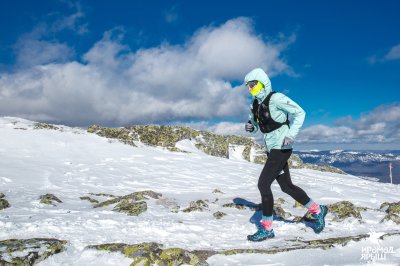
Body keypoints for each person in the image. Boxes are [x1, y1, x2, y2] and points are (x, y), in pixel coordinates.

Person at [244, 68, 328, 242]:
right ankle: (318, 210)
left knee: (263, 184)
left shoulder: (276, 99)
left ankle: (267, 229)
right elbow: (256, 125)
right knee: (286, 186)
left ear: (262, 83)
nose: (250, 88)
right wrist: (251, 127)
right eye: (248, 86)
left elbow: (300, 112)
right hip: (271, 148)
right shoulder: (255, 105)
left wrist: (291, 135)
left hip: (282, 147)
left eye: (253, 84)